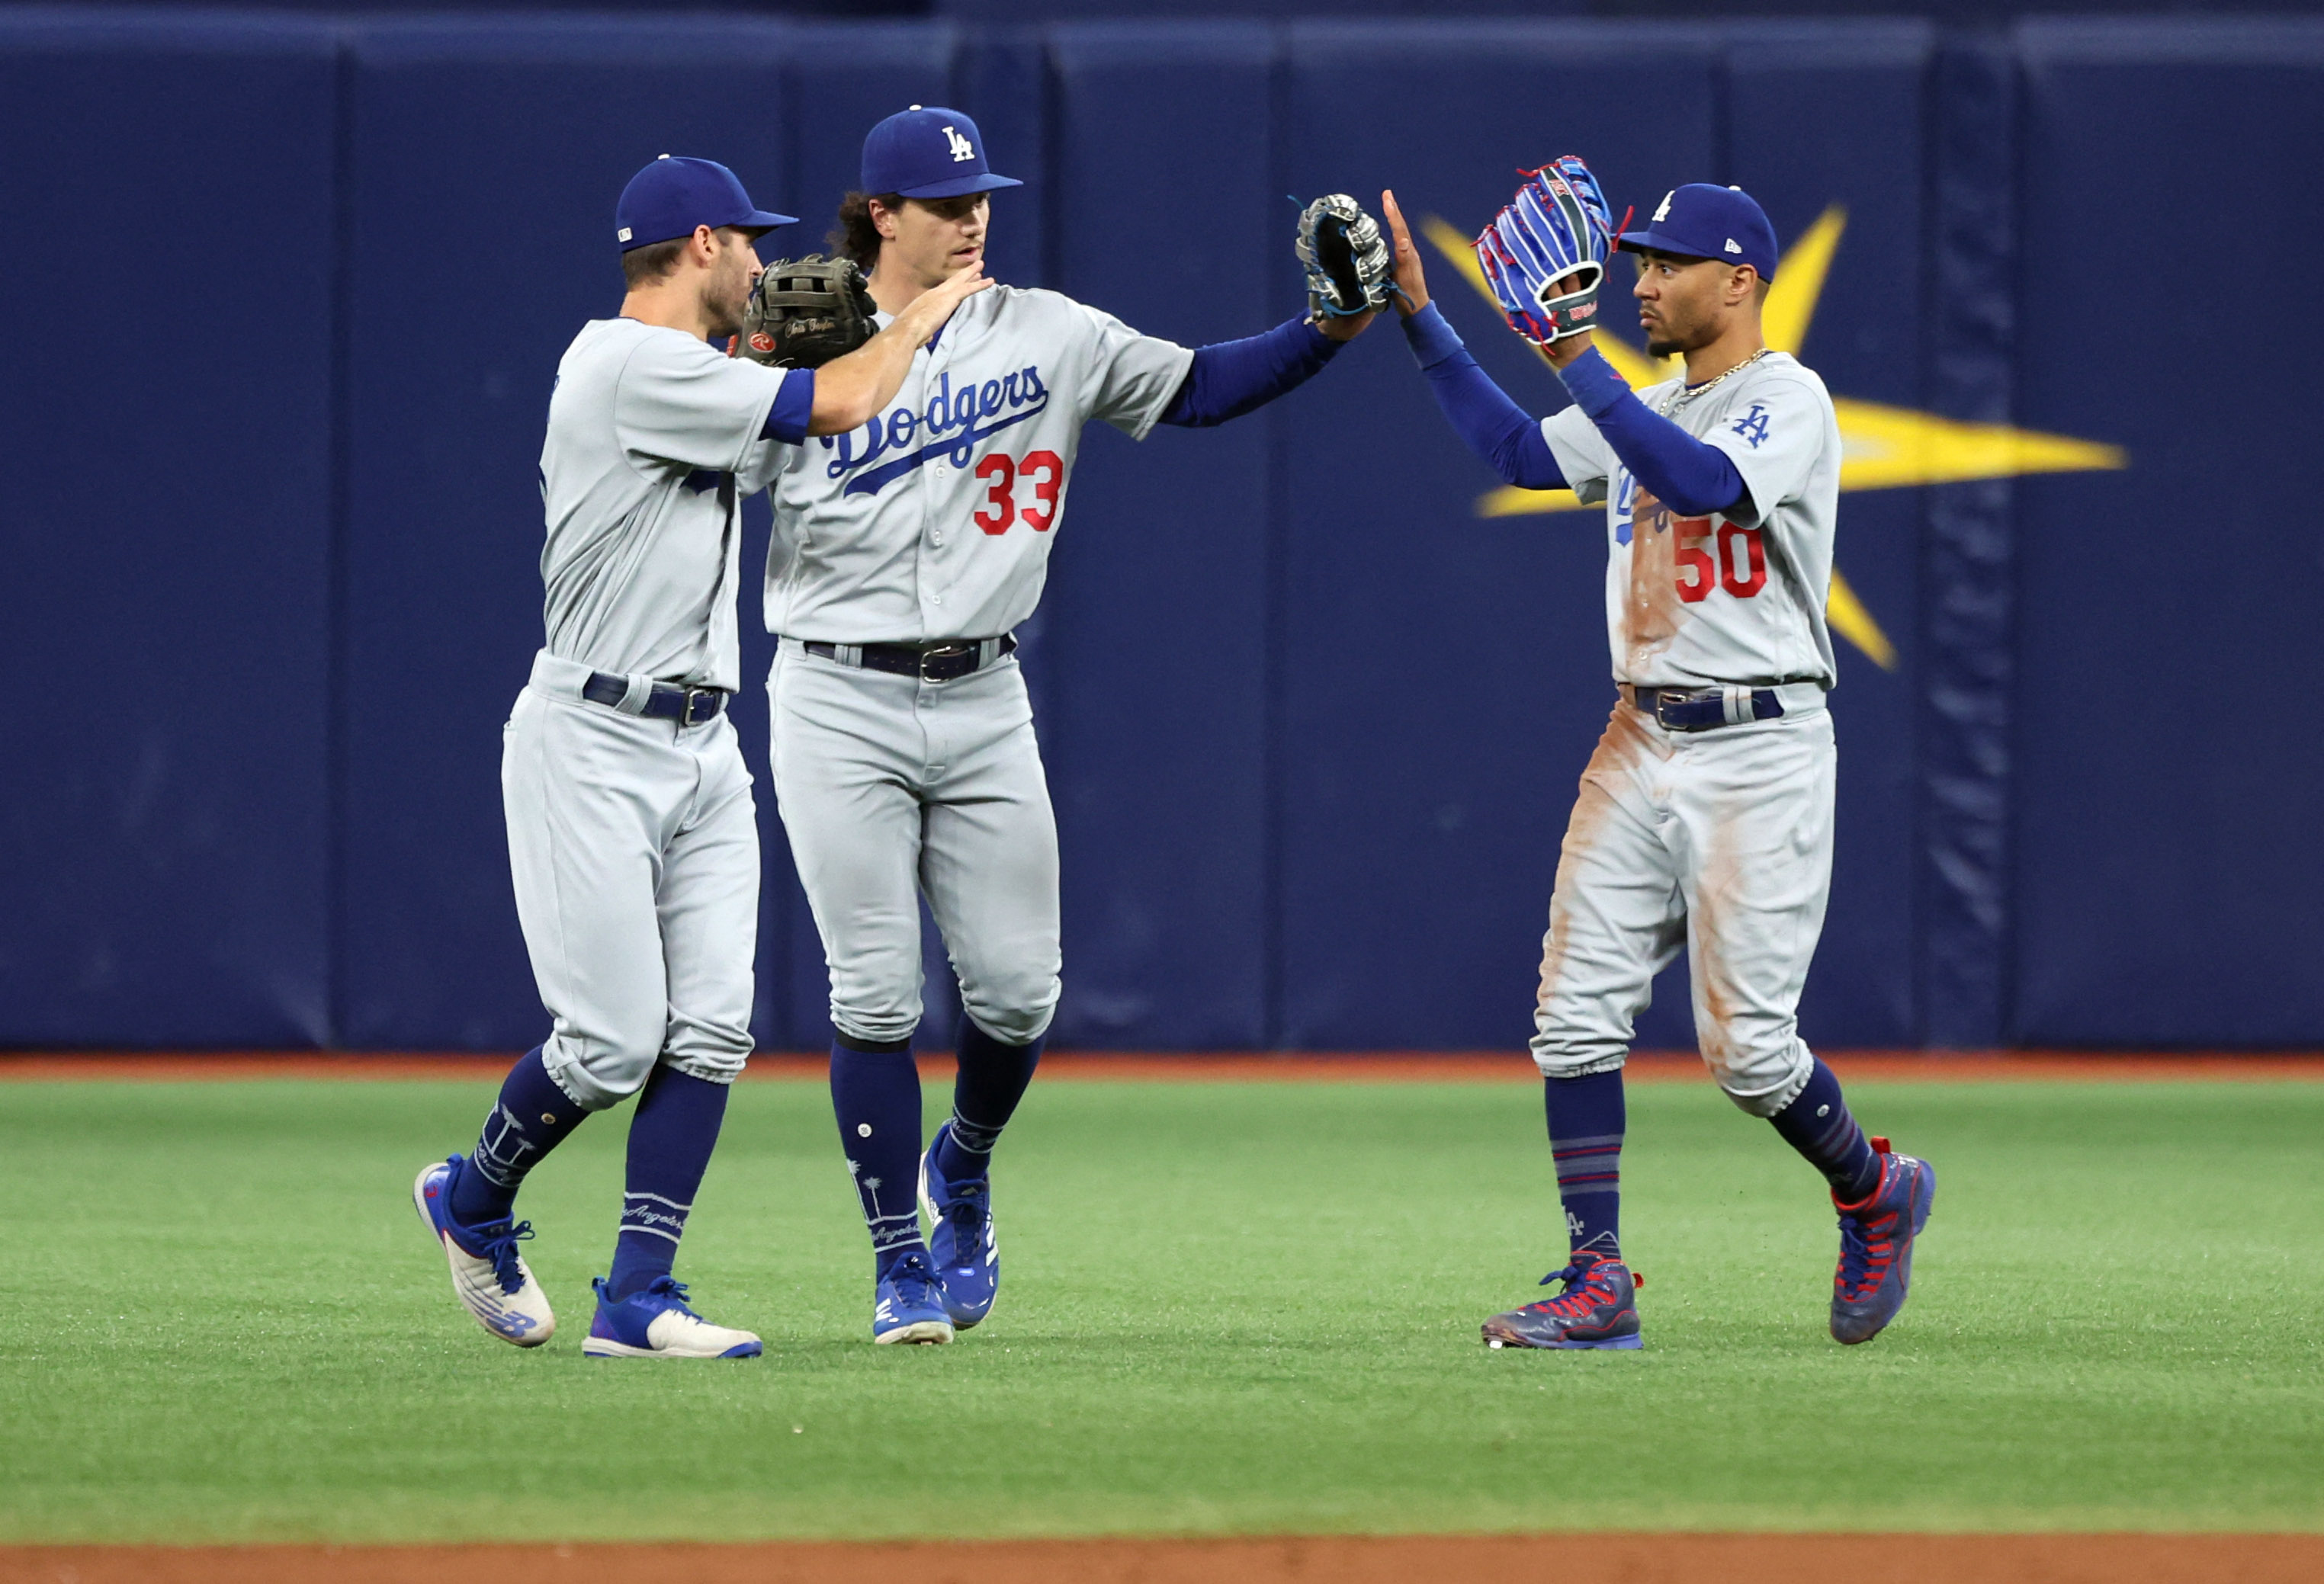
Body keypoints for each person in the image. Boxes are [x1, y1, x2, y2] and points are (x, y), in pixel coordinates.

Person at [760, 107, 1379, 1344]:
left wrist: (1331, 327)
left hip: (984, 694)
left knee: (1019, 992)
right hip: (836, 692)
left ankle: (968, 1167)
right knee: (876, 996)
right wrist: (753, 368)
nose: (974, 214)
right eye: (945, 202)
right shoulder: (802, 341)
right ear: (881, 216)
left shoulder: (1048, 331)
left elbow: (1199, 386)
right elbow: (695, 459)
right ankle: (897, 1261)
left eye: (983, 193)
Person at [412, 154, 987, 1358]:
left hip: (706, 743)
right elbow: (831, 409)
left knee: (713, 1028)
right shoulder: (623, 364)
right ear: (702, 245)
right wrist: (910, 319)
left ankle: (639, 1294)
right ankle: (472, 1202)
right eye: (749, 243)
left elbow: (801, 439)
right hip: (592, 736)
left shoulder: (697, 375)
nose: (766, 266)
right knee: (609, 1041)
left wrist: (798, 367)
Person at [1375, 178, 1934, 1348]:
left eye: (1664, 264)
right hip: (1639, 733)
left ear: (1738, 281)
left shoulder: (1789, 400)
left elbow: (1702, 483)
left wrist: (1574, 348)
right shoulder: (1655, 395)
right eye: (1635, 262)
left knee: (1747, 1053)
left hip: (1763, 744)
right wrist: (1425, 320)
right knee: (1572, 1019)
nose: (1638, 283)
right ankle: (1597, 1279)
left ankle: (1874, 1191)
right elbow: (1524, 451)